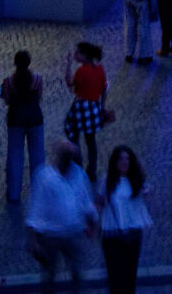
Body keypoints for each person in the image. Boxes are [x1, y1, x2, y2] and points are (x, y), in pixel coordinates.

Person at [24, 140, 95, 293]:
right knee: (49, 274)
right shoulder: (44, 176)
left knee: (76, 271)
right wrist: (34, 237)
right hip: (50, 234)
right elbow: (36, 206)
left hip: (73, 232)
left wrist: (91, 221)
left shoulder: (79, 174)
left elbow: (84, 200)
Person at [98, 146, 152, 294]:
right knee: (115, 275)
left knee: (129, 273)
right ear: (115, 161)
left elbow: (148, 194)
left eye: (127, 159)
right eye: (121, 159)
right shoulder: (107, 180)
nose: (124, 162)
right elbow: (100, 202)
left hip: (133, 233)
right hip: (112, 234)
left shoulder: (137, 180)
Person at [0, 50, 46, 201]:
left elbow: (6, 101)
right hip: (35, 119)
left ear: (15, 63)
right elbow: (39, 98)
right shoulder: (37, 79)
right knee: (37, 157)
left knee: (14, 156)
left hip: (15, 120)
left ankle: (13, 193)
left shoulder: (9, 82)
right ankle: (39, 192)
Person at [62, 42, 108, 179]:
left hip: (81, 107)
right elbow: (104, 90)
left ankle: (78, 165)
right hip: (94, 107)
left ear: (84, 55)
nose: (75, 55)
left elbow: (70, 83)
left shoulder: (81, 71)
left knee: (73, 134)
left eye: (78, 53)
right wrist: (102, 107)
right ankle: (92, 169)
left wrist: (68, 64)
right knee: (91, 140)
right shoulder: (100, 69)